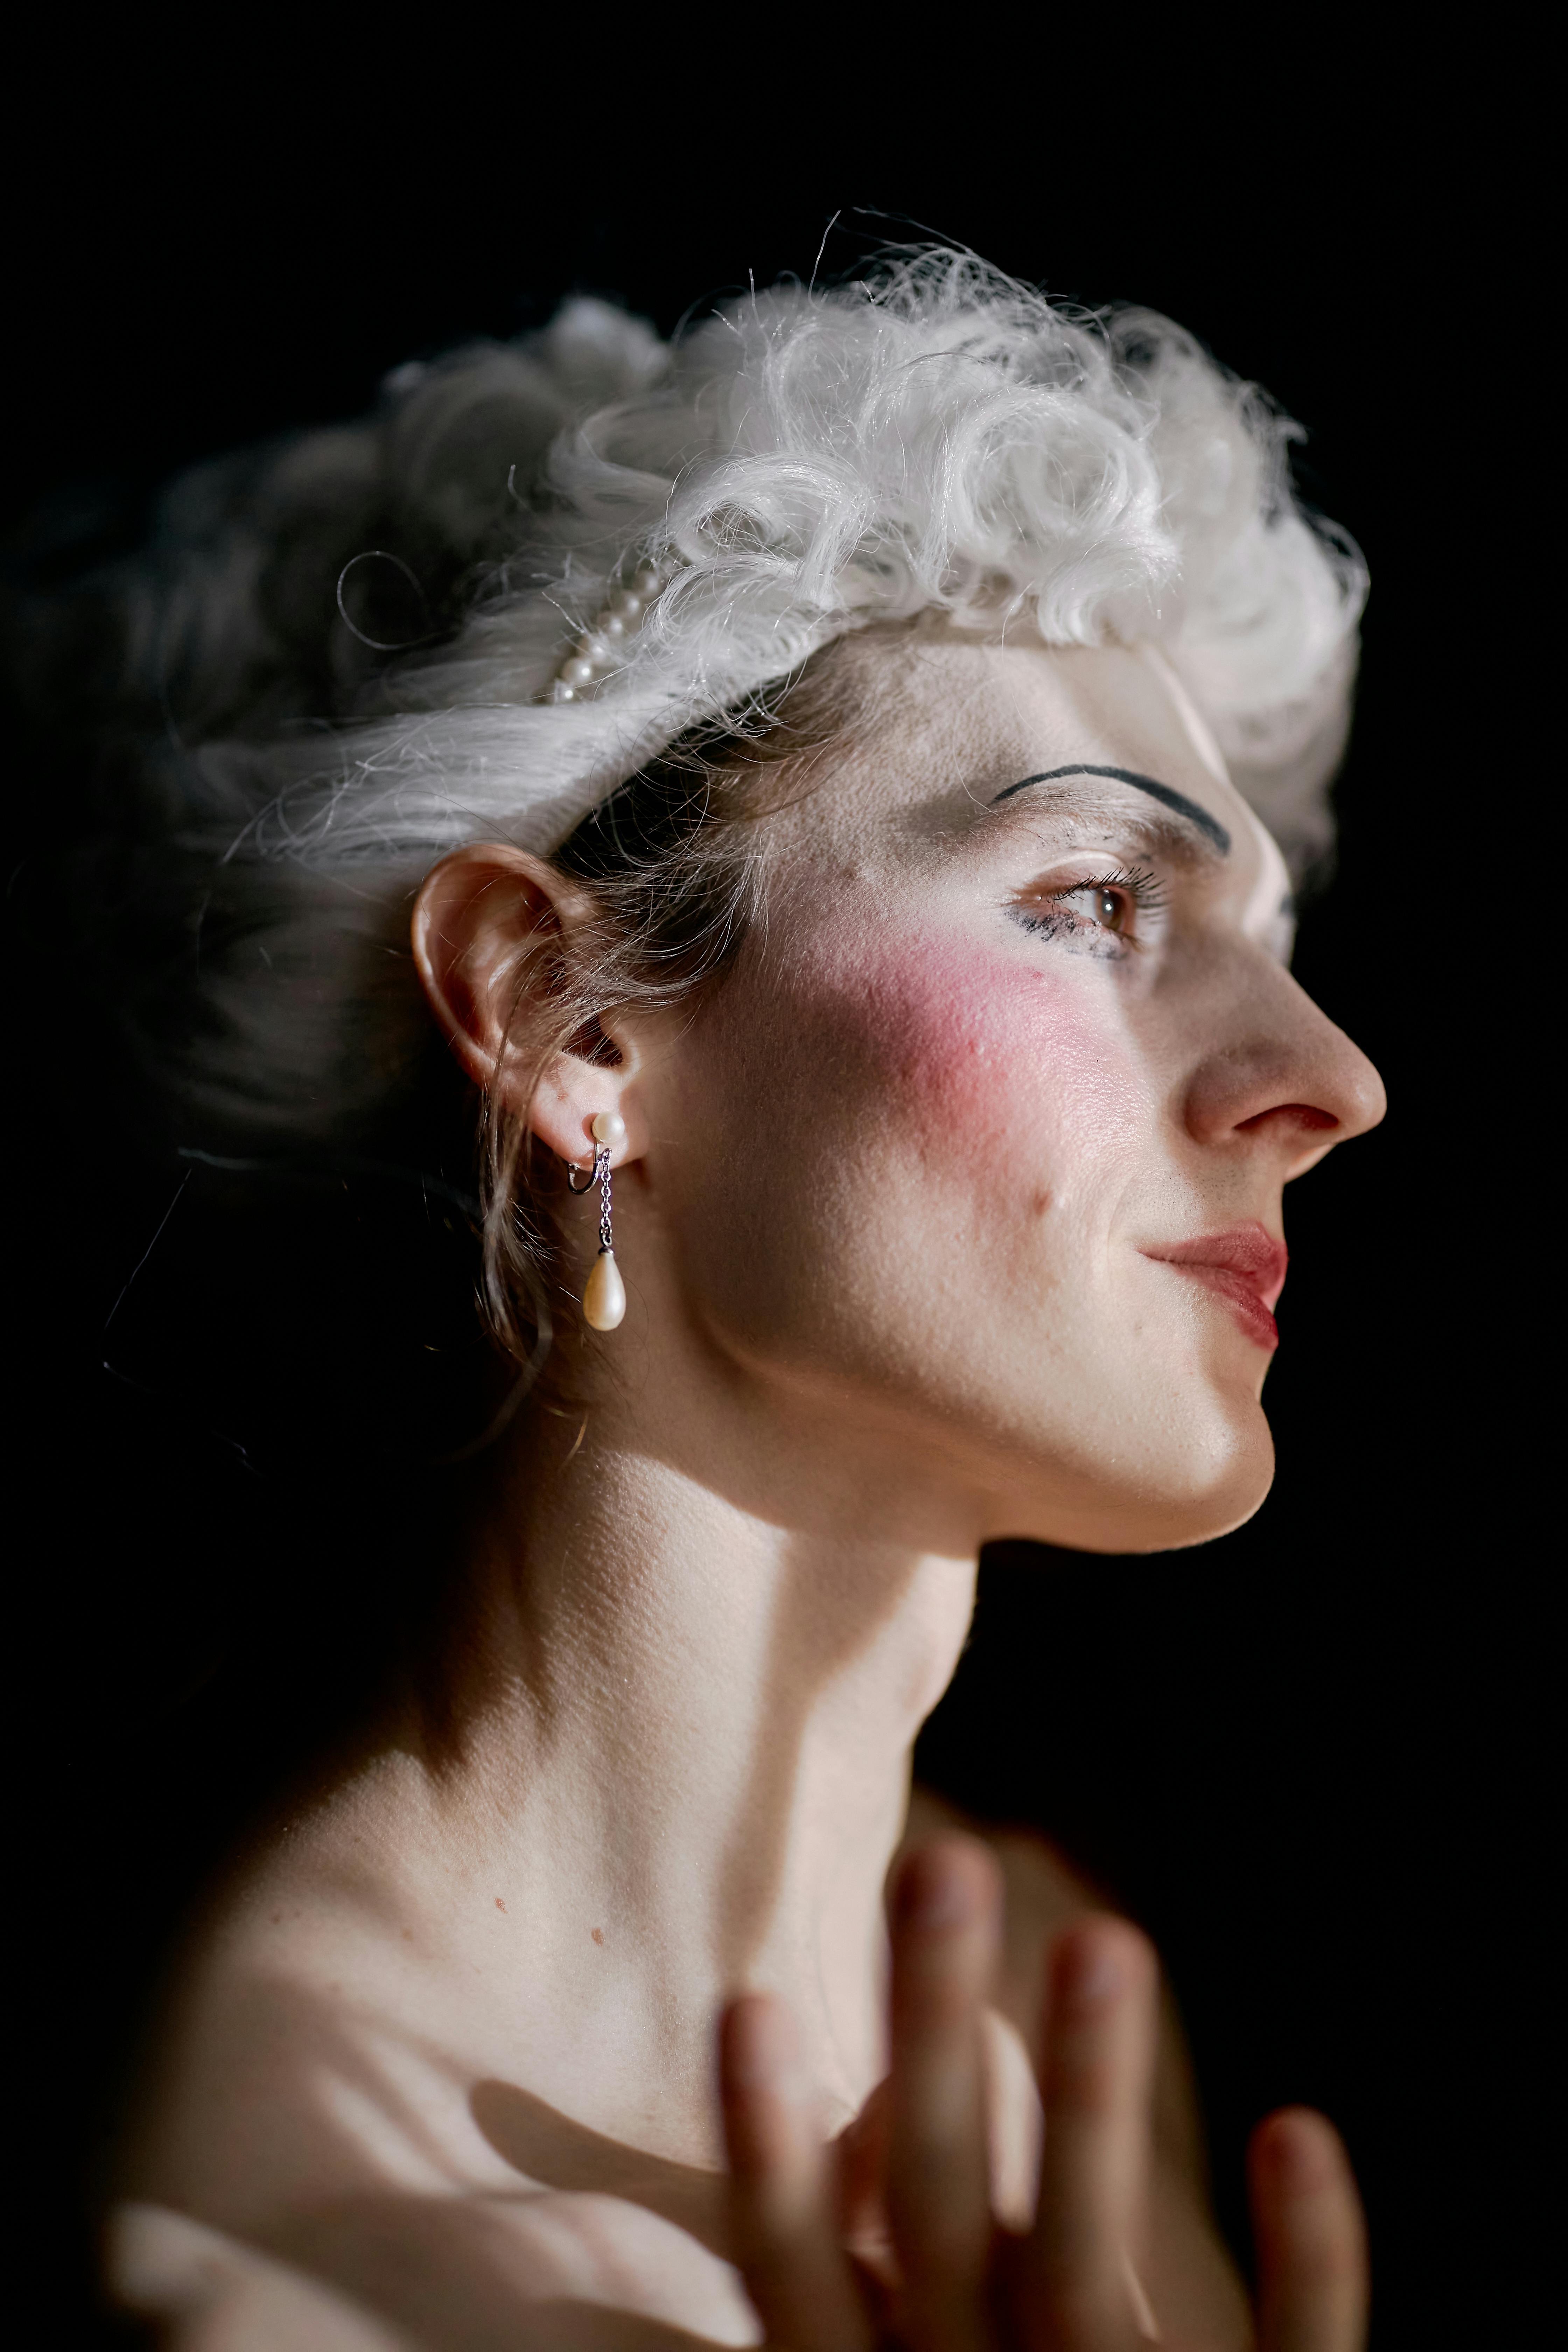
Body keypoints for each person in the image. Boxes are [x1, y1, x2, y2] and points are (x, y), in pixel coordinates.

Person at [64, 250, 1382, 2346]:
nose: (1331, 1079)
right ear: (568, 1019)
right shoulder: (306, 2276)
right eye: (1093, 901)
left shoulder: (1040, 1989)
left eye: (1273, 938)